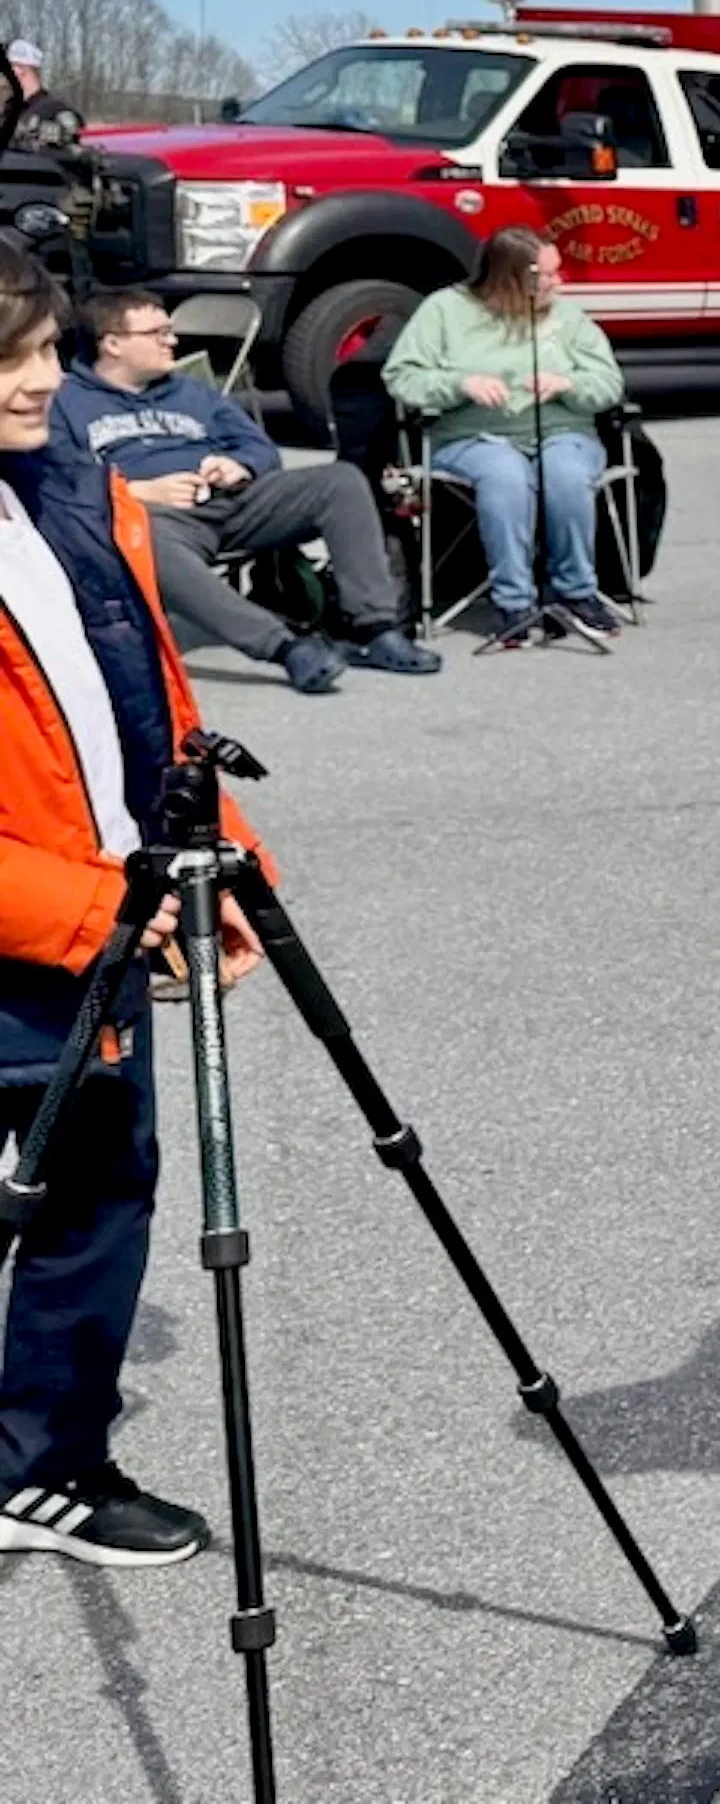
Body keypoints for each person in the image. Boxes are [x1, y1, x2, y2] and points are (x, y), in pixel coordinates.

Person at [0, 235, 259, 1568]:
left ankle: (47, 1463)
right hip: (51, 925)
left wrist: (216, 859)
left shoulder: (70, 496)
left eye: (46, 349)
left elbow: (147, 695)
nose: (45, 380)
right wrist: (90, 909)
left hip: (108, 915)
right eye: (16, 356)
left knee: (101, 1193)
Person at [51, 287, 442, 691]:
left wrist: (238, 465)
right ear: (113, 344)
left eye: (169, 330)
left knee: (339, 482)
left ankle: (374, 627)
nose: (172, 340)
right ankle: (285, 647)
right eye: (157, 333)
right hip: (158, 517)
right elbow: (59, 478)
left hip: (233, 503)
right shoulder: (66, 401)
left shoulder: (191, 392)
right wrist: (136, 491)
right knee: (145, 536)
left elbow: (260, 447)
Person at [382, 227, 627, 649]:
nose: (559, 282)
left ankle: (576, 592)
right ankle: (514, 604)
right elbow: (401, 377)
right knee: (505, 475)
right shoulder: (444, 310)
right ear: (516, 278)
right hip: (473, 435)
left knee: (566, 474)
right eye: (548, 275)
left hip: (561, 430)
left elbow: (609, 383)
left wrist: (568, 383)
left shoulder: (568, 318)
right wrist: (460, 383)